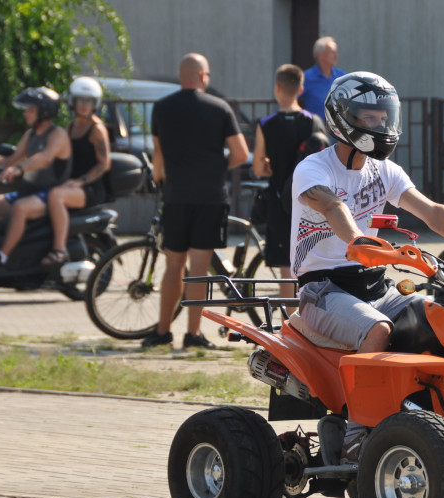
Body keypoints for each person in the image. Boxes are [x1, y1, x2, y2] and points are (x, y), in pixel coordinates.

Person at [290, 71, 444, 459]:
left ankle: (440, 417)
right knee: (378, 329)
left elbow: (432, 212)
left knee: (442, 315)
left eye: (385, 117)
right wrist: (358, 242)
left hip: (375, 287)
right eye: (370, 117)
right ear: (342, 116)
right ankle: (356, 434)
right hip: (322, 290)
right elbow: (334, 206)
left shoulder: (386, 171)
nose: (380, 125)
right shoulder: (313, 169)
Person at [142, 53, 249, 350]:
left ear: (181, 76)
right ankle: (193, 334)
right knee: (199, 268)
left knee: (173, 265)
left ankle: (162, 331)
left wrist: (162, 178)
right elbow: (240, 154)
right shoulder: (219, 108)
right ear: (203, 76)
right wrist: (217, 166)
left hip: (176, 196)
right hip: (209, 196)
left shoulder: (162, 108)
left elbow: (158, 157)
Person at [0, 87, 72, 267]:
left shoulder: (58, 135)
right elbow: (10, 159)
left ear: (44, 112)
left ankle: (1, 257)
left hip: (49, 195)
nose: (26, 113)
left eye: (30, 109)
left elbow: (45, 157)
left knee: (20, 208)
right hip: (29, 192)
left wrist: (19, 169)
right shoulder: (31, 134)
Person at [253, 64, 327, 298]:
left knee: (287, 266)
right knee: (312, 261)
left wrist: (269, 168)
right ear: (301, 88)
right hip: (310, 201)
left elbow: (257, 168)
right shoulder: (313, 122)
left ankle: (288, 320)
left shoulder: (266, 125)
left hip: (279, 201)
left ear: (277, 88)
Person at [42, 76, 111, 267]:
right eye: (80, 100)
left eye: (88, 101)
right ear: (73, 101)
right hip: (71, 184)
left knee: (56, 196)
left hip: (90, 188)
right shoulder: (71, 127)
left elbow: (104, 164)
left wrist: (82, 181)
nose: (83, 105)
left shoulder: (97, 129)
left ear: (95, 103)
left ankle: (59, 250)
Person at [298, 36, 346, 118]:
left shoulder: (341, 76)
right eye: (332, 52)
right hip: (316, 127)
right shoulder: (306, 77)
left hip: (338, 128)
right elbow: (293, 99)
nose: (336, 56)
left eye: (336, 52)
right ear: (321, 55)